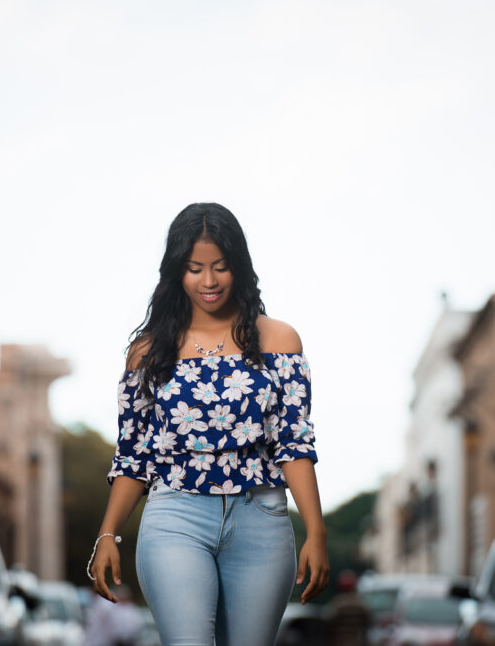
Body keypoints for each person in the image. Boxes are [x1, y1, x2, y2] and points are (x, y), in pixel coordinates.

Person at [88, 202, 330, 646]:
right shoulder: (148, 352)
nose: (210, 281)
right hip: (174, 515)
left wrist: (316, 530)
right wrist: (108, 532)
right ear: (177, 271)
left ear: (238, 266)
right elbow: (134, 453)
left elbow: (294, 443)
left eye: (220, 266)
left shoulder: (280, 341)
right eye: (195, 268)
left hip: (261, 517)